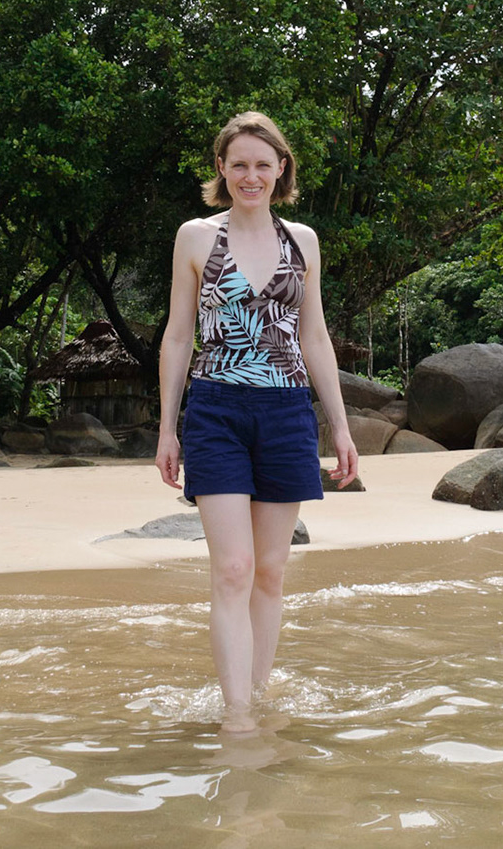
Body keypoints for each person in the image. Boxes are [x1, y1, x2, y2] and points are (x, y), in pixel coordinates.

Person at [156, 111, 358, 733]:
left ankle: (258, 694)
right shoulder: (195, 237)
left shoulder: (303, 241)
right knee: (233, 569)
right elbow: (178, 336)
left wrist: (341, 428)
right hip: (215, 410)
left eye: (263, 165)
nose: (251, 176)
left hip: (287, 412)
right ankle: (237, 716)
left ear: (281, 170)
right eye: (239, 164)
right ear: (222, 168)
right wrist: (167, 429)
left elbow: (315, 337)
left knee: (270, 571)